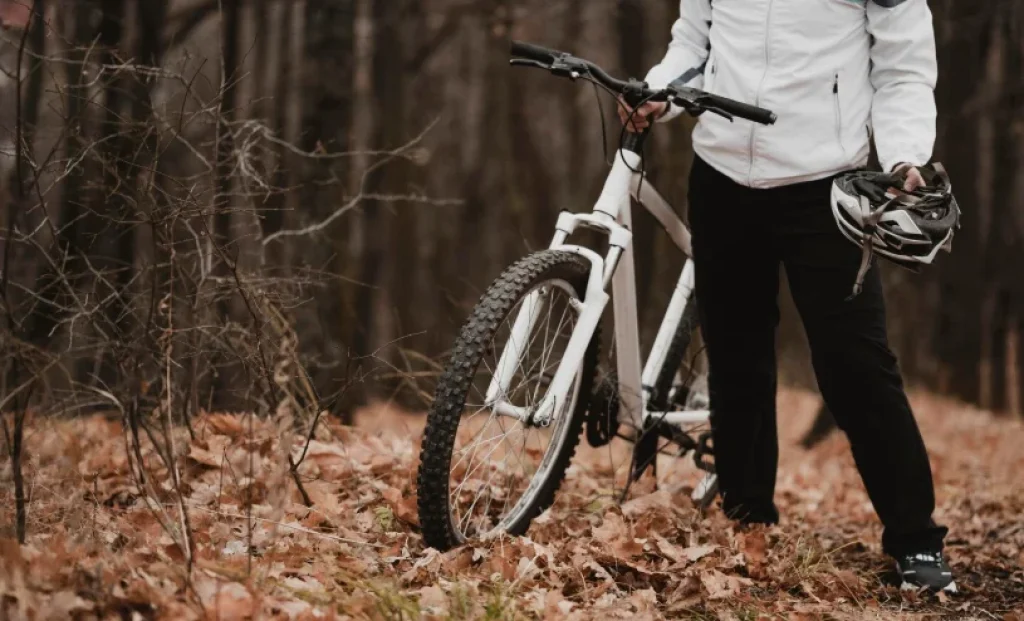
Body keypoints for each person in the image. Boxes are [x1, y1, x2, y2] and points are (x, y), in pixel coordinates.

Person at [619, 0, 955, 593]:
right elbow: (694, 43)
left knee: (856, 367)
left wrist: (905, 157)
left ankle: (915, 541)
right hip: (721, 177)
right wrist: (660, 92)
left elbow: (902, 68)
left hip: (827, 186)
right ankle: (748, 520)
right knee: (736, 358)